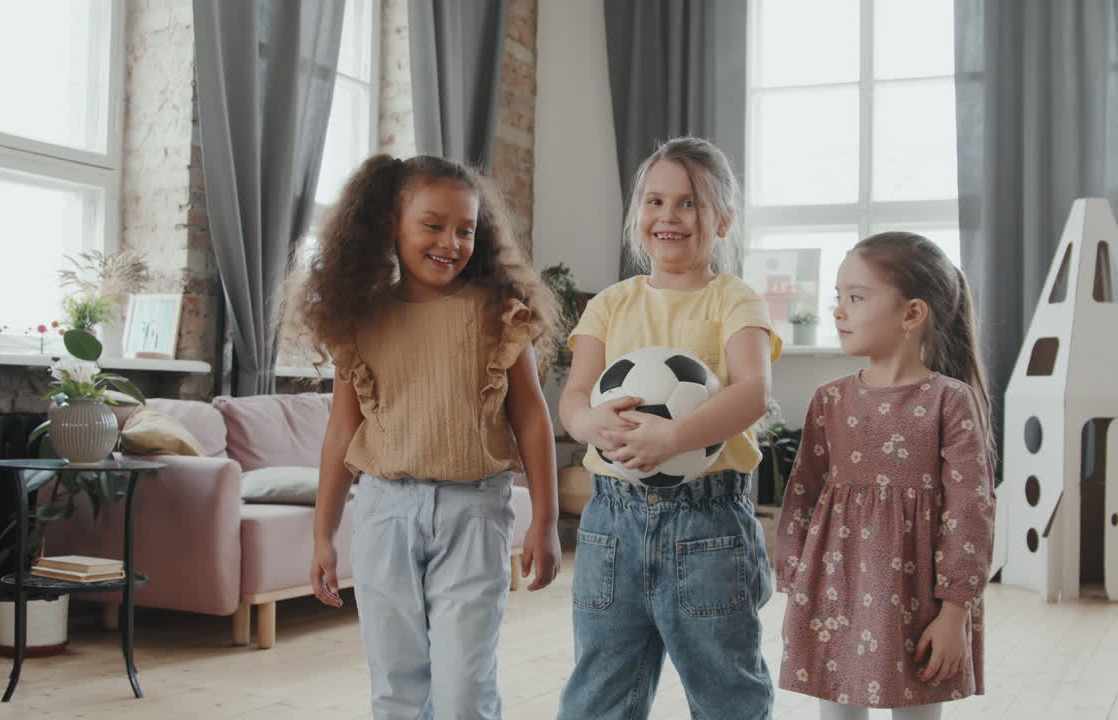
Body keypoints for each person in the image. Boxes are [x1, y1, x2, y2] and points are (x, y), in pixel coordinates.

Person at [284, 154, 563, 720]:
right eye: (432, 225)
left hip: (475, 514)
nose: (450, 242)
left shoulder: (498, 314)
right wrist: (322, 534)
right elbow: (343, 429)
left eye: (465, 229)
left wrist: (547, 520)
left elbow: (532, 418)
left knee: (464, 690)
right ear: (393, 223)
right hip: (384, 515)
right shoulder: (358, 319)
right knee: (396, 688)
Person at [556, 137, 783, 720]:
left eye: (688, 203)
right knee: (599, 689)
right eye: (655, 201)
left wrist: (671, 439)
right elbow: (575, 398)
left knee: (726, 688)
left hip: (707, 524)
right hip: (610, 521)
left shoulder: (733, 300)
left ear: (722, 219)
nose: (668, 216)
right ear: (638, 214)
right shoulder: (608, 304)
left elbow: (753, 392)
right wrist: (591, 425)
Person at [775, 232, 996, 719]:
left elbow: (970, 510)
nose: (838, 311)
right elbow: (803, 494)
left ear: (912, 314)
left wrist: (955, 611)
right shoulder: (828, 400)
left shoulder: (950, 401)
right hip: (834, 591)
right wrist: (794, 575)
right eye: (838, 297)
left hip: (920, 601)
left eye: (855, 297)